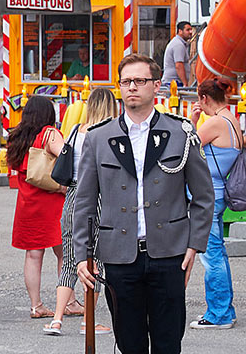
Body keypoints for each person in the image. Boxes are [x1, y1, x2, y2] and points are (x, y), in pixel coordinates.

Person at [75, 54, 214, 353]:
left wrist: (194, 245)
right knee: (129, 343)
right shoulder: (99, 138)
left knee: (168, 342)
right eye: (126, 82)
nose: (132, 88)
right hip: (119, 256)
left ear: (156, 86)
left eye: (140, 81)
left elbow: (203, 196)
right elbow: (84, 201)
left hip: (169, 253)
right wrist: (79, 256)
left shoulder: (181, 134)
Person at [44, 87, 118, 336]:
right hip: (99, 199)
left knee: (69, 259)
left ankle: (56, 319)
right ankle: (88, 320)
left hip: (72, 198)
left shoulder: (76, 131)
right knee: (96, 261)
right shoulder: (110, 135)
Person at [188, 77, 242, 329]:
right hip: (220, 194)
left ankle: (218, 314)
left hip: (208, 195)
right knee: (217, 253)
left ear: (204, 99)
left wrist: (193, 121)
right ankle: (224, 310)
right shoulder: (233, 120)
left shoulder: (215, 123)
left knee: (212, 257)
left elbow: (186, 147)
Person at [6, 96, 66, 319]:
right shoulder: (50, 134)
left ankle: (36, 305)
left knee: (33, 255)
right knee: (64, 254)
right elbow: (67, 157)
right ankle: (67, 300)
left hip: (27, 202)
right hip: (51, 202)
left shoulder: (18, 136)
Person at [161, 21, 194, 89]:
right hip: (174, 83)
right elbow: (179, 65)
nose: (190, 32)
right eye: (187, 30)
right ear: (180, 31)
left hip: (174, 82)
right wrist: (185, 84)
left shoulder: (179, 43)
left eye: (191, 30)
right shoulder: (178, 45)